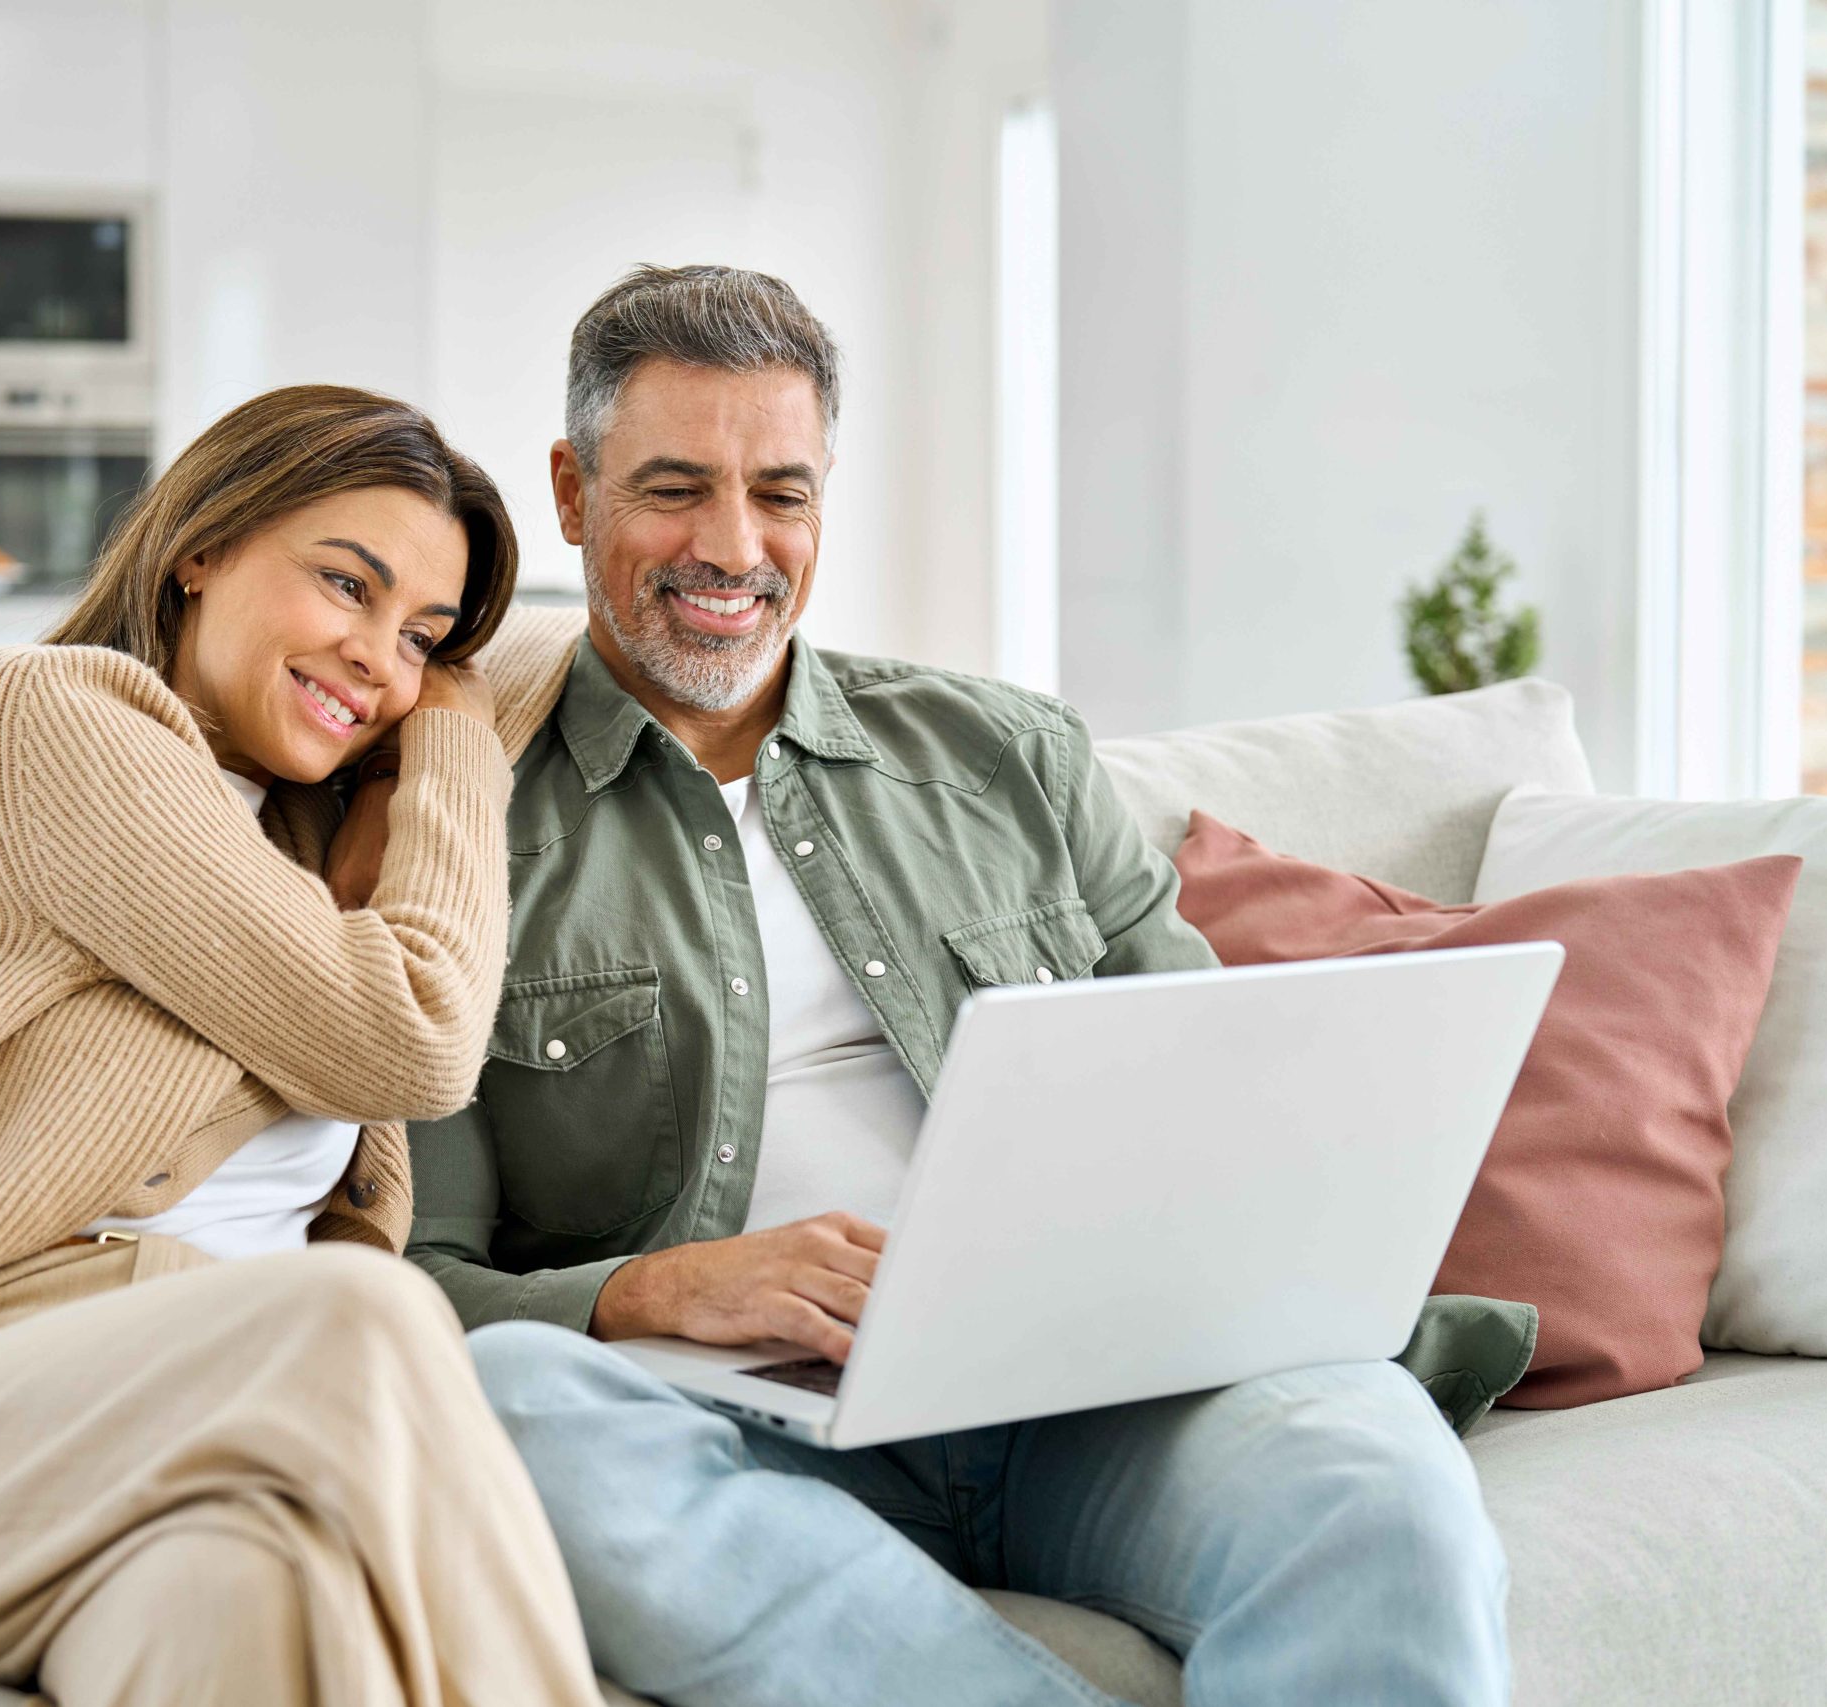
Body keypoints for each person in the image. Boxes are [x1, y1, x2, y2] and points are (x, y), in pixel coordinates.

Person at [387, 267, 1532, 1707]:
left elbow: (1221, 1091)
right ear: (572, 490)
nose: (732, 547)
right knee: (511, 1409)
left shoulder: (1010, 758)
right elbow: (409, 1286)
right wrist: (659, 1290)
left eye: (782, 494)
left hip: (1098, 1402)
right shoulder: (456, 820)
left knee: (1375, 1481)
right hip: (732, 1422)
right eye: (674, 489)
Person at [0, 385, 606, 1707]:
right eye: (345, 584)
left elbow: (583, 648)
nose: (382, 659)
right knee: (362, 1318)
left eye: (423, 636)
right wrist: (450, 752)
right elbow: (412, 1041)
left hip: (153, 1489)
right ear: (201, 545)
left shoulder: (303, 858)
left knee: (251, 1592)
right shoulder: (45, 719)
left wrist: (440, 713)